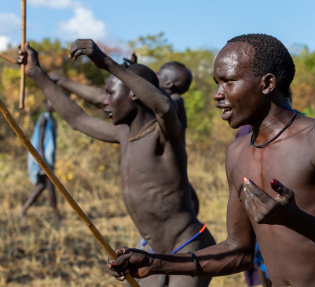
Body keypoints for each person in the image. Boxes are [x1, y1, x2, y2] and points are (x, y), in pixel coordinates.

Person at [108, 33, 315, 286]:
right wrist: (157, 263)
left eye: (228, 82)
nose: (217, 95)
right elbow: (238, 252)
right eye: (217, 83)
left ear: (267, 84)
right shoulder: (237, 153)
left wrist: (296, 219)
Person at [18, 40, 215, 287]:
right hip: (151, 251)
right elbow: (78, 119)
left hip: (188, 246)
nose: (105, 101)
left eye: (111, 94)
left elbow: (164, 107)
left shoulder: (165, 135)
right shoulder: (124, 134)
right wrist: (37, 73)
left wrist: (108, 63)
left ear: (134, 93)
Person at [48, 60, 200, 215]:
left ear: (170, 83)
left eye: (159, 73)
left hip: (174, 199)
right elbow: (83, 114)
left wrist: (132, 80)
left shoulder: (174, 102)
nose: (156, 73)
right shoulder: (145, 113)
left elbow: (160, 104)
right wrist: (133, 76)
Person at [21, 99, 61, 220]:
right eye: (50, 102)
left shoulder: (52, 120)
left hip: (46, 158)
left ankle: (24, 210)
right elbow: (40, 140)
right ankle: (57, 215)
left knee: (43, 185)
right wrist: (41, 158)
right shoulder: (44, 119)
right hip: (41, 158)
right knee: (50, 185)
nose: (52, 104)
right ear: (45, 104)